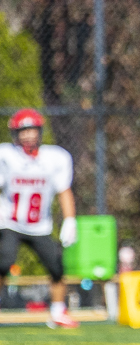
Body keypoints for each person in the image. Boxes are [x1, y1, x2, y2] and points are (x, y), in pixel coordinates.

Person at [0, 109, 78, 329]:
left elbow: (64, 190)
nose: (27, 135)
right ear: (15, 133)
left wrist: (70, 220)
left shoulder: (56, 158)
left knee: (57, 267)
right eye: (22, 131)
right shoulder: (6, 156)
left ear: (40, 131)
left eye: (31, 130)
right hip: (10, 222)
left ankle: (57, 311)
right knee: (3, 262)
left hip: (39, 226)